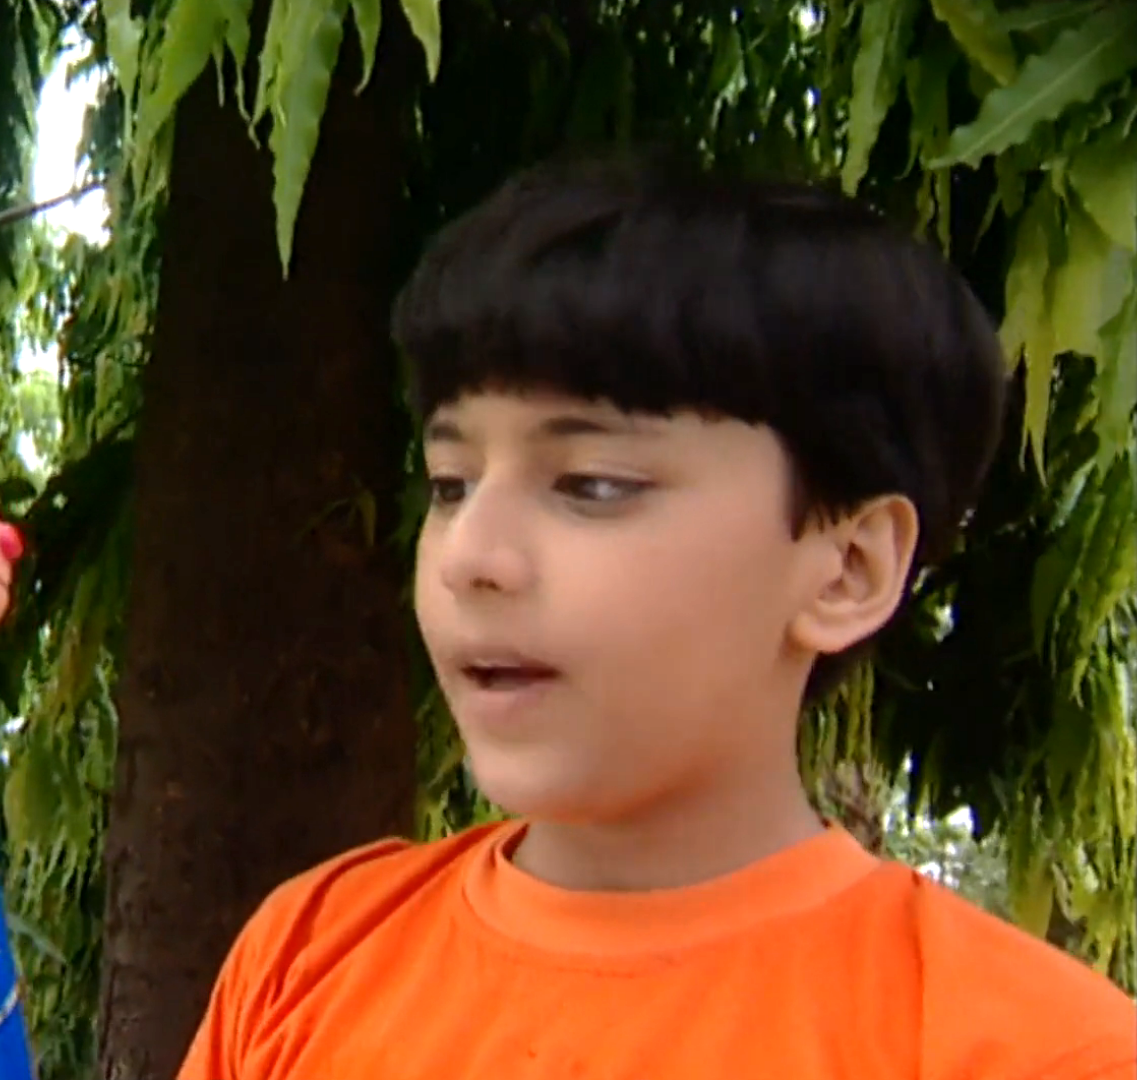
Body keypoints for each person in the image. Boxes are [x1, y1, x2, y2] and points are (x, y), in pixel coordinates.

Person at [176, 154, 1137, 1079]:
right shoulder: (311, 953)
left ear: (845, 568)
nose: (473, 557)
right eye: (450, 483)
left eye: (591, 485)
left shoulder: (1029, 1050)